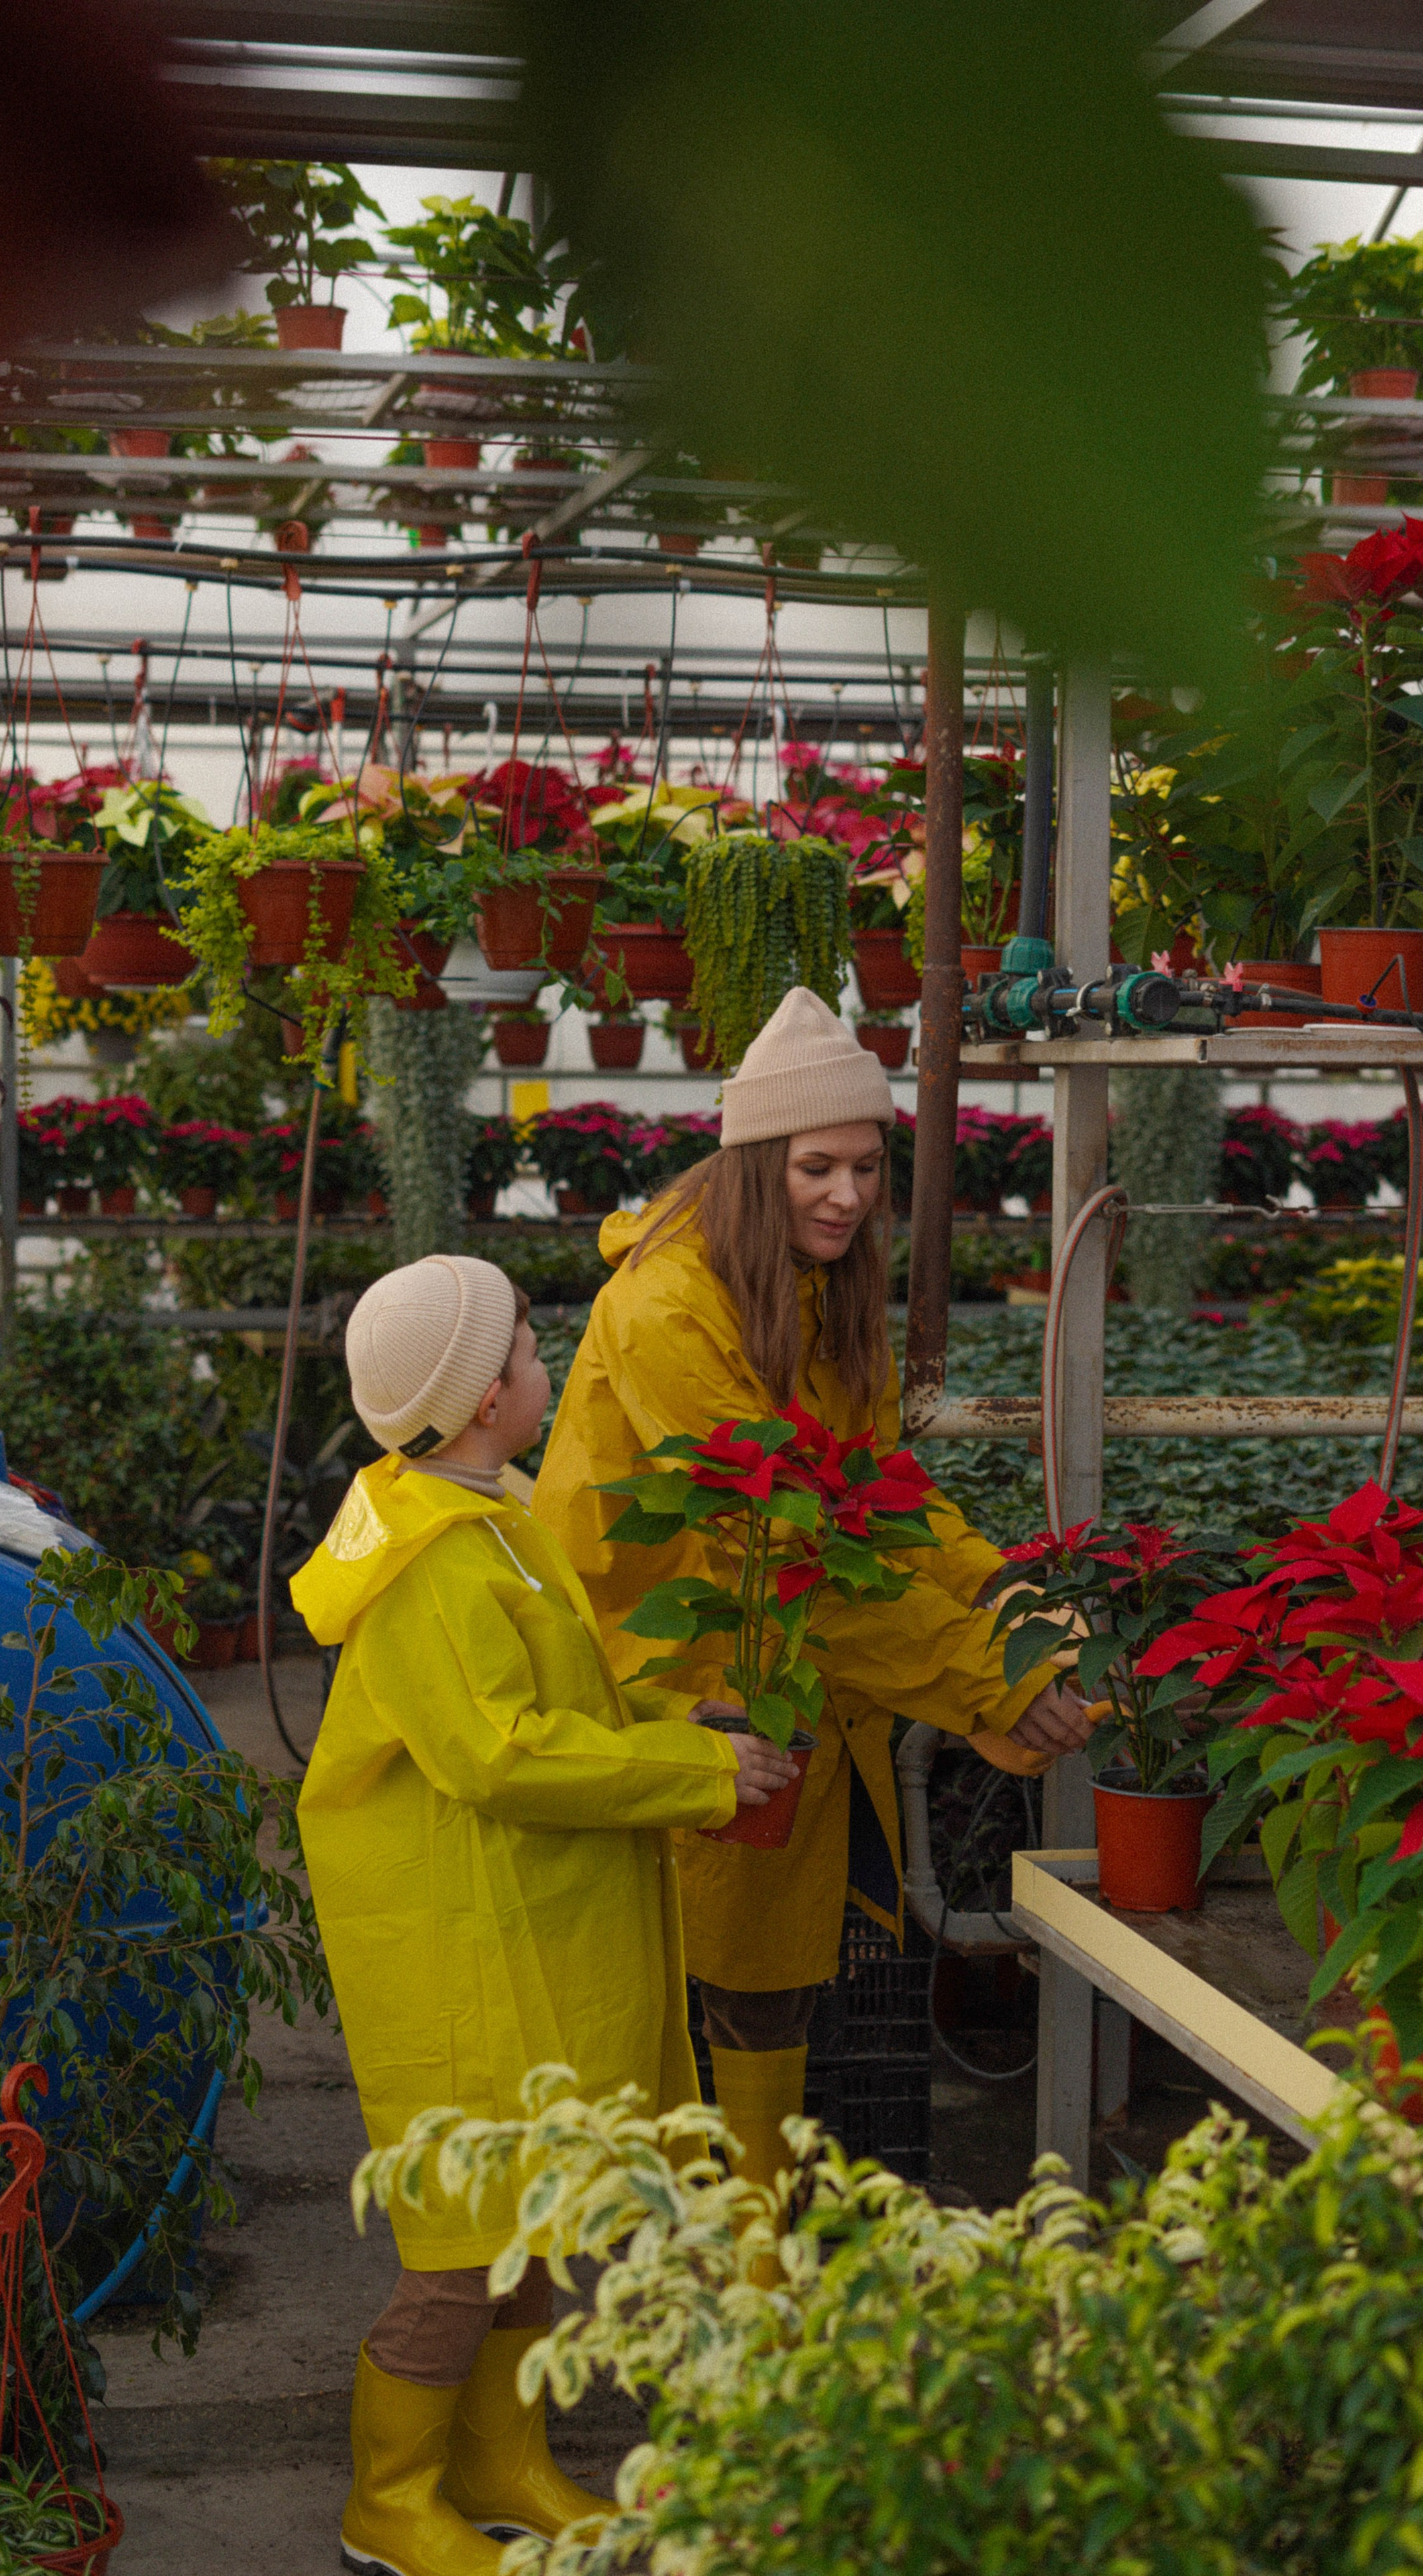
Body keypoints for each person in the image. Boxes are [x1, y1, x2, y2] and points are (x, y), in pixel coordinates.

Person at [534, 987, 1091, 2192]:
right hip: (665, 1667)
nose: (848, 1195)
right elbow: (776, 1545)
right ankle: (715, 2250)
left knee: (769, 1974)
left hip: (770, 1663)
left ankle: (752, 2241)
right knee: (705, 1967)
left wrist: (1002, 1597)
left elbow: (873, 1489)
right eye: (816, 1169)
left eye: (867, 1168)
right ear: (754, 1166)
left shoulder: (818, 1285)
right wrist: (989, 1680)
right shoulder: (666, 1306)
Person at [292, 1252, 795, 2576]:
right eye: (524, 1351)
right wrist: (697, 1775)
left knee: (524, 2214)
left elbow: (562, 1695)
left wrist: (679, 1719)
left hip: (509, 1925)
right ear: (478, 1403)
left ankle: (496, 2462)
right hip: (456, 1949)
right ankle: (388, 2499)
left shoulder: (489, 1514)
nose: (543, 1365)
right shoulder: (432, 1565)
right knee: (460, 2249)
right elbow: (502, 1753)